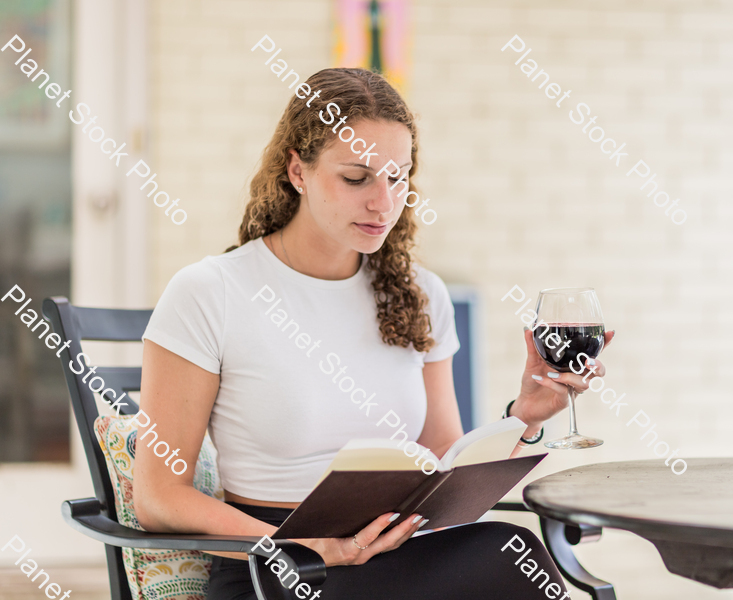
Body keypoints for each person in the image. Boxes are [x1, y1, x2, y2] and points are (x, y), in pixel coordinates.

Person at [133, 67, 614, 600]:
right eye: (356, 178)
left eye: (398, 177)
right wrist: (306, 548)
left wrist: (525, 418)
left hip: (396, 551)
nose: (384, 202)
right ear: (297, 170)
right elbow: (158, 498)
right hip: (277, 566)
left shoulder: (420, 294)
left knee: (511, 553)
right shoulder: (209, 293)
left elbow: (444, 468)